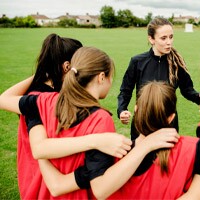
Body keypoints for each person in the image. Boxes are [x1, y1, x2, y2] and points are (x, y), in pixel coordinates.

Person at [30, 81, 200, 199]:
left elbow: (58, 185)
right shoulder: (195, 149)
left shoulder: (111, 150)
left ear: (136, 108)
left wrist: (37, 135)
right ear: (172, 116)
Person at [0, 47, 180, 199]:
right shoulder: (100, 120)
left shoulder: (43, 101)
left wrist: (42, 72)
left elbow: (4, 101)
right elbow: (100, 188)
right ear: (102, 77)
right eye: (111, 77)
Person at [13, 33, 84, 199]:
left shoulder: (50, 91)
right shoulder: (39, 98)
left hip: (49, 174)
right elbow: (40, 148)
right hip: (42, 177)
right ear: (67, 67)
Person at [117, 17, 200, 139]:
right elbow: (125, 91)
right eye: (163, 38)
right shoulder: (137, 62)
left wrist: (199, 97)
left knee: (167, 158)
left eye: (171, 37)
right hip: (142, 124)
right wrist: (122, 110)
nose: (169, 42)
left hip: (168, 123)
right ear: (151, 39)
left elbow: (187, 90)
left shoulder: (177, 63)